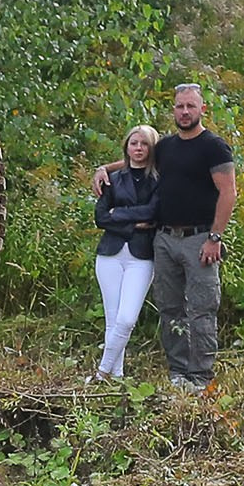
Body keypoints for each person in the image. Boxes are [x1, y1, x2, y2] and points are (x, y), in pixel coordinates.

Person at [93, 85, 235, 394]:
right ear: (174, 110)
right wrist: (104, 168)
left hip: (200, 239)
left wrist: (215, 237)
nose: (185, 112)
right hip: (165, 239)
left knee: (201, 309)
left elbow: (229, 192)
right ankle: (178, 371)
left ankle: (200, 377)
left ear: (202, 109)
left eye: (191, 106)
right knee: (170, 308)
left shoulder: (214, 147)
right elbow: (136, 159)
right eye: (180, 106)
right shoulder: (167, 147)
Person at [91, 125, 160, 380]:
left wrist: (117, 215)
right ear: (126, 147)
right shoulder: (114, 178)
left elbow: (152, 212)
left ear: (151, 148)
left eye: (144, 144)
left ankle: (101, 372)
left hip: (141, 256)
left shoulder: (158, 179)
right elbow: (100, 217)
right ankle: (117, 375)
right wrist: (133, 222)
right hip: (110, 254)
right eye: (134, 143)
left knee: (127, 318)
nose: (139, 148)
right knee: (112, 318)